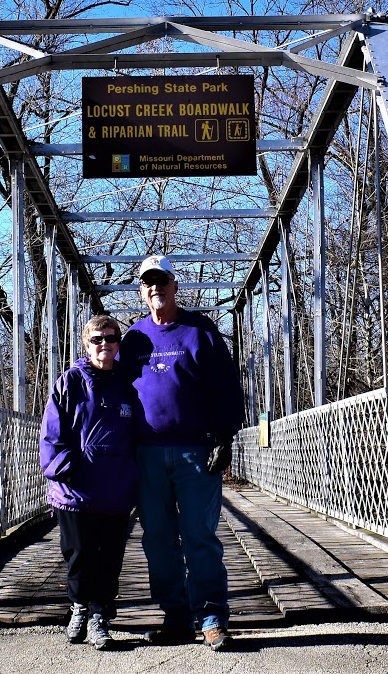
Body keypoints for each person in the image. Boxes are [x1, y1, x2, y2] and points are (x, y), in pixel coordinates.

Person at [120, 255, 244, 652]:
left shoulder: (200, 331)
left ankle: (211, 619)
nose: (155, 287)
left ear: (175, 285)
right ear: (142, 291)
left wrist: (224, 437)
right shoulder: (132, 339)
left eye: (161, 280)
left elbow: (225, 385)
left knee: (199, 535)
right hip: (146, 454)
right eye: (147, 282)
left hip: (195, 451)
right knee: (157, 538)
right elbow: (115, 392)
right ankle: (175, 616)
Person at [40, 314, 139, 651]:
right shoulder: (70, 381)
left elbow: (143, 431)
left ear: (118, 344)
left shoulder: (129, 383)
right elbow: (52, 433)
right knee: (79, 553)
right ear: (86, 344)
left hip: (115, 488)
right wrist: (63, 468)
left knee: (110, 555)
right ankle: (79, 607)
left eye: (111, 339)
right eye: (97, 339)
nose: (105, 345)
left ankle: (100, 615)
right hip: (76, 489)